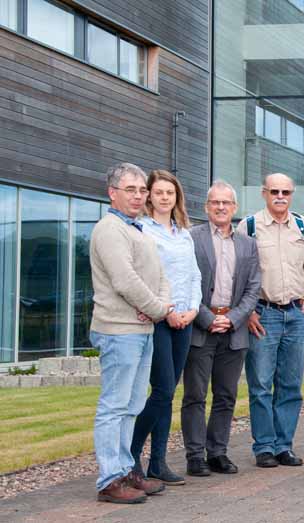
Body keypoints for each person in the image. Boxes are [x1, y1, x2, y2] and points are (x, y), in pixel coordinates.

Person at [90, 163, 171, 503]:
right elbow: (125, 281)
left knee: (132, 405)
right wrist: (157, 308)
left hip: (142, 328)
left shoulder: (137, 230)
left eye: (142, 190)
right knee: (114, 406)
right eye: (130, 190)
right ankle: (109, 480)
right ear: (113, 193)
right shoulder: (110, 230)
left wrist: (159, 307)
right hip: (119, 331)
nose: (138, 195)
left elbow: (160, 278)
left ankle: (125, 470)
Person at [238, 173, 304, 468]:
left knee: (291, 385)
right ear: (264, 193)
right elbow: (239, 275)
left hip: (297, 315)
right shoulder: (248, 227)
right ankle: (264, 447)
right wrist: (248, 311)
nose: (280, 196)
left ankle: (284, 446)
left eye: (286, 191)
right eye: (275, 191)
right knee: (260, 384)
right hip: (263, 314)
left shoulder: (302, 225)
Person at [181, 181, 261, 477]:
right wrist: (206, 317)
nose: (221, 207)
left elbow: (253, 288)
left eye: (226, 203)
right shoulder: (192, 238)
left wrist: (235, 318)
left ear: (234, 208)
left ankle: (218, 452)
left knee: (226, 395)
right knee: (195, 395)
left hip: (234, 328)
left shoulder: (247, 244)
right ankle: (194, 455)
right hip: (202, 327)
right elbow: (184, 283)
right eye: (215, 202)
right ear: (207, 207)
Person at [130, 170, 201, 486]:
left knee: (169, 393)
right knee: (162, 390)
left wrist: (194, 309)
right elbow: (147, 276)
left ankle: (157, 462)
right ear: (149, 196)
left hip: (184, 320)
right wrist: (167, 310)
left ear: (177, 197)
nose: (164, 197)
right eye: (158, 192)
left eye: (169, 193)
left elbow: (194, 275)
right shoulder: (142, 230)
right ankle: (130, 455)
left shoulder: (183, 232)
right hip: (159, 320)